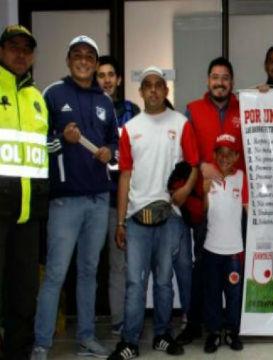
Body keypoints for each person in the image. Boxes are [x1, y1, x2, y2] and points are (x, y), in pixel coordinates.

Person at [32, 35, 118, 359]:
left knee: (88, 272)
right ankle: (41, 343)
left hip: (98, 200)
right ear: (69, 61)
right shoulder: (52, 94)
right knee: (55, 273)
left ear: (96, 64)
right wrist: (60, 138)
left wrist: (111, 151)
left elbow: (115, 146)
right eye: (77, 55)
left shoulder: (105, 101)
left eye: (90, 56)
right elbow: (39, 142)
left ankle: (86, 337)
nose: (83, 60)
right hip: (65, 201)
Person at [108, 66, 199, 360]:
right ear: (141, 91)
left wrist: (185, 192)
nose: (153, 90)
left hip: (170, 216)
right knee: (135, 282)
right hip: (136, 218)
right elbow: (124, 177)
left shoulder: (181, 123)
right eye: (147, 85)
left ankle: (162, 335)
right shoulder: (131, 129)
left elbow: (194, 165)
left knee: (163, 280)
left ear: (166, 90)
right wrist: (120, 221)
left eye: (159, 85)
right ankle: (129, 342)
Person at [176, 57, 243, 346]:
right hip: (206, 201)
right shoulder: (192, 110)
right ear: (208, 80)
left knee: (235, 267)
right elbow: (185, 153)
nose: (220, 82)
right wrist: (202, 167)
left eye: (225, 77)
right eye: (215, 77)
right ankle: (198, 322)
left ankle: (233, 325)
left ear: (232, 82)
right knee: (203, 264)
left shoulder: (245, 106)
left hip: (237, 201)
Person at [0, 24, 48, 360]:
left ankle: (18, 353)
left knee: (23, 293)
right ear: (2, 51)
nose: (21, 54)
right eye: (13, 47)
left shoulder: (37, 98)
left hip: (28, 216)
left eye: (26, 49)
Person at [95, 55, 141, 335]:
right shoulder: (87, 108)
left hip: (123, 200)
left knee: (120, 264)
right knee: (88, 265)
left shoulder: (132, 111)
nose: (107, 80)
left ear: (119, 79)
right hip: (93, 196)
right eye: (101, 75)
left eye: (111, 74)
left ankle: (120, 321)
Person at [201, 133, 246, 354]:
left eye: (230, 153)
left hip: (235, 251)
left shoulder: (242, 178)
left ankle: (231, 331)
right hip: (212, 248)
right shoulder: (207, 180)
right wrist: (204, 186)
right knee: (212, 293)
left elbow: (248, 207)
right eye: (221, 153)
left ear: (237, 156)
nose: (225, 157)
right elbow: (202, 210)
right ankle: (214, 332)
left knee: (234, 294)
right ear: (214, 155)